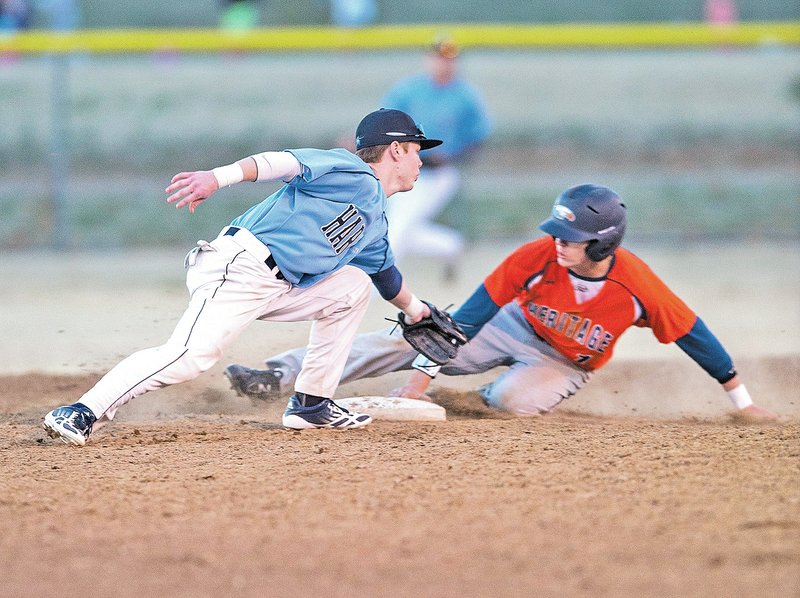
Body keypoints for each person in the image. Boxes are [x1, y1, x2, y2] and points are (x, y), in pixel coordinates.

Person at [42, 108, 447, 446]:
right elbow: (282, 162)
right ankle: (82, 411)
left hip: (279, 285)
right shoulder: (350, 170)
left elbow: (385, 276)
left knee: (353, 288)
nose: (420, 161)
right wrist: (216, 178)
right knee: (190, 356)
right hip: (241, 265)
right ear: (395, 150)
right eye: (416, 150)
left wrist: (417, 311)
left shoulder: (374, 221)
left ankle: (312, 404)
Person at [224, 184, 778, 421]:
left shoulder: (638, 288)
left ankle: (481, 397)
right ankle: (282, 374)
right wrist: (421, 373)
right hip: (509, 326)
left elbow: (696, 337)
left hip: (564, 362)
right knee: (402, 341)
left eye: (572, 238)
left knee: (511, 403)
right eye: (558, 234)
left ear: (603, 243)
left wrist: (743, 403)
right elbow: (466, 318)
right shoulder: (536, 256)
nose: (558, 243)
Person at [381, 36, 491, 278]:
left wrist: (452, 157)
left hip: (438, 174)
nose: (443, 64)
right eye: (439, 58)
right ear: (428, 59)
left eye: (449, 59)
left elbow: (478, 136)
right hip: (401, 170)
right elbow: (384, 122)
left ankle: (378, 284)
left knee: (396, 230)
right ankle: (451, 244)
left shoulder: (465, 96)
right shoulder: (408, 90)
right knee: (397, 227)